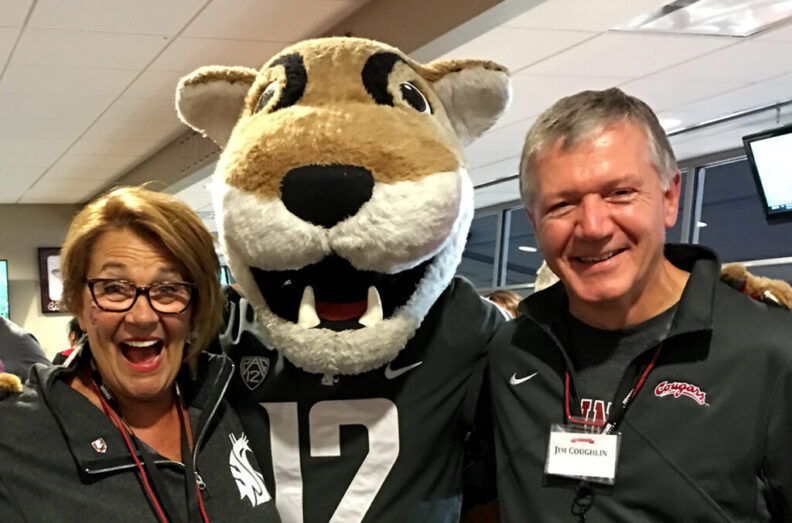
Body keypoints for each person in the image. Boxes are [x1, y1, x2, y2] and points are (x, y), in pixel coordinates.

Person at [488, 88, 792, 521]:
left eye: (619, 193)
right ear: (535, 222)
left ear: (670, 198)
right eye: (563, 204)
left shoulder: (772, 353)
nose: (593, 227)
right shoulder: (513, 351)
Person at [0, 187, 280, 522]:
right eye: (114, 288)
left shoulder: (228, 398)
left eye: (168, 289)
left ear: (196, 305)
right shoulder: (13, 439)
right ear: (78, 301)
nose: (143, 317)